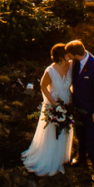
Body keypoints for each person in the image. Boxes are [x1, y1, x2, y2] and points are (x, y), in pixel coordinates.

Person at [20, 43, 75, 175]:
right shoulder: (50, 71)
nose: (69, 55)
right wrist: (53, 102)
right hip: (55, 104)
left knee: (65, 130)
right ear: (61, 55)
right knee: (53, 130)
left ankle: (62, 156)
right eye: (66, 53)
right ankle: (50, 157)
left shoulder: (71, 65)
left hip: (67, 102)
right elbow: (43, 86)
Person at [66, 39, 94, 180]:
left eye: (69, 55)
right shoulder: (76, 62)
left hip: (90, 110)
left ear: (75, 55)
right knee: (80, 133)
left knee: (92, 137)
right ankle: (80, 155)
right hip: (77, 106)